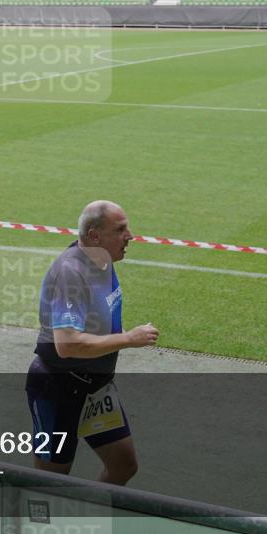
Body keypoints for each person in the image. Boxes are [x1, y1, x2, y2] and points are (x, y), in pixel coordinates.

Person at [25, 200, 159, 485]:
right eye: (120, 230)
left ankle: (85, 510)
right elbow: (67, 345)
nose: (130, 236)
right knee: (50, 484)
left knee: (123, 465)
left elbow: (97, 316)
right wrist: (128, 339)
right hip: (58, 390)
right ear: (95, 236)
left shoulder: (102, 262)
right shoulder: (70, 273)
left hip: (95, 388)